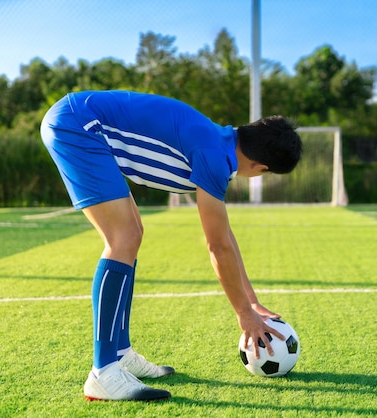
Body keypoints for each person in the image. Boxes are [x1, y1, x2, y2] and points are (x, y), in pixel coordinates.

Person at [40, 90, 302, 402]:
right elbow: (217, 247)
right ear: (260, 168)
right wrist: (243, 314)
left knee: (132, 233)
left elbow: (226, 238)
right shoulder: (213, 157)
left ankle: (119, 354)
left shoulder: (219, 144)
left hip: (80, 120)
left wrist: (252, 302)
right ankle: (104, 371)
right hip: (78, 125)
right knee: (122, 239)